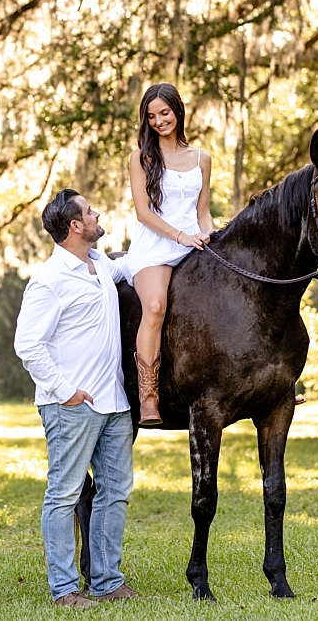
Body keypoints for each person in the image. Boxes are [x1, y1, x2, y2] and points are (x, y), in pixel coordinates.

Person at [13, 189, 138, 608]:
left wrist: (193, 236)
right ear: (75, 226)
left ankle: (106, 581)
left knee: (115, 491)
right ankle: (65, 589)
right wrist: (65, 392)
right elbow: (28, 344)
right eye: (90, 211)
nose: (97, 213)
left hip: (114, 404)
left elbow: (135, 264)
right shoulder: (49, 281)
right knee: (64, 496)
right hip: (72, 407)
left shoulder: (100, 264)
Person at [119, 83, 212, 425]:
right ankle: (148, 397)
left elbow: (203, 211)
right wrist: (180, 236)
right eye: (152, 116)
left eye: (165, 113)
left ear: (178, 111)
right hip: (156, 247)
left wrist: (209, 233)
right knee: (155, 306)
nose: (159, 121)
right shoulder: (141, 158)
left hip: (193, 243)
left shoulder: (202, 158)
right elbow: (143, 213)